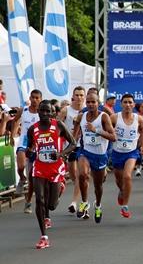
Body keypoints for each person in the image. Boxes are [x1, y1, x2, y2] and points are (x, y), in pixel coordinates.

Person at [27, 100, 76, 249]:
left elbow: (73, 143)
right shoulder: (32, 129)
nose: (45, 114)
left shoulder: (58, 125)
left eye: (48, 111)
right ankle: (44, 237)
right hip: (40, 168)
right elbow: (31, 147)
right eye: (42, 111)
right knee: (40, 201)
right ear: (38, 112)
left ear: (53, 113)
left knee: (52, 205)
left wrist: (61, 154)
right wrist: (30, 151)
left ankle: (60, 187)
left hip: (55, 168)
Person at [73, 92, 116, 223]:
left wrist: (96, 130)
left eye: (94, 102)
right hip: (85, 152)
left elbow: (113, 137)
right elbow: (75, 136)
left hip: (100, 155)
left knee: (98, 186)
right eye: (88, 102)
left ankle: (98, 205)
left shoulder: (104, 117)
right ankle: (85, 202)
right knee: (82, 175)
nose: (91, 104)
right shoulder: (81, 116)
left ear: (99, 103)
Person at [110, 94, 143, 218]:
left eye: (130, 102)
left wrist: (142, 145)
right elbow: (108, 129)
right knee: (119, 180)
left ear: (134, 105)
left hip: (131, 152)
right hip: (117, 152)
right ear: (121, 104)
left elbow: (142, 130)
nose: (128, 105)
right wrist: (111, 133)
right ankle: (121, 190)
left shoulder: (139, 118)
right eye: (125, 102)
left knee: (127, 176)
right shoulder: (114, 117)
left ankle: (125, 206)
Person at [13, 89, 43, 214]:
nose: (35, 100)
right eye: (33, 97)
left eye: (37, 98)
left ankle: (28, 201)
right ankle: (21, 178)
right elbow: (15, 120)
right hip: (24, 141)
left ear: (40, 99)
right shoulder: (23, 110)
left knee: (33, 178)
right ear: (30, 98)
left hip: (37, 144)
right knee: (20, 166)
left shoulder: (43, 113)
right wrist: (12, 135)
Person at [58, 86, 85, 214]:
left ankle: (74, 202)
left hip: (85, 147)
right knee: (73, 174)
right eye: (77, 95)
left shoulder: (87, 111)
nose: (79, 97)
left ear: (84, 97)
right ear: (73, 97)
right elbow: (56, 127)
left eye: (81, 95)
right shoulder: (66, 110)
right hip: (70, 146)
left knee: (80, 175)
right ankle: (81, 191)